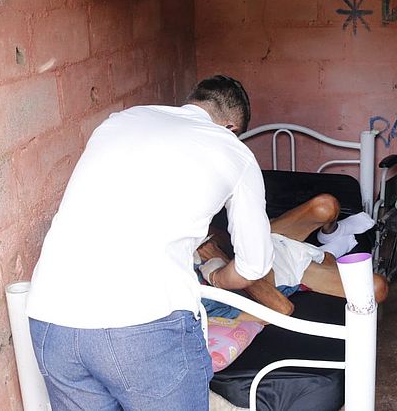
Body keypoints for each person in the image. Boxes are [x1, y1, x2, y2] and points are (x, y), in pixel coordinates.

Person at [25, 75, 274, 411]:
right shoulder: (234, 151)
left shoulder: (120, 120)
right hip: (142, 324)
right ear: (231, 127)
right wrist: (216, 277)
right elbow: (254, 266)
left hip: (51, 316)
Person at [198, 193, 388, 323]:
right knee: (376, 289)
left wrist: (216, 246)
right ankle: (328, 251)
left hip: (268, 239)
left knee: (326, 205)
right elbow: (283, 309)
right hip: (292, 272)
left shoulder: (184, 246)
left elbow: (223, 237)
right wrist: (221, 262)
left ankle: (331, 235)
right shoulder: (206, 309)